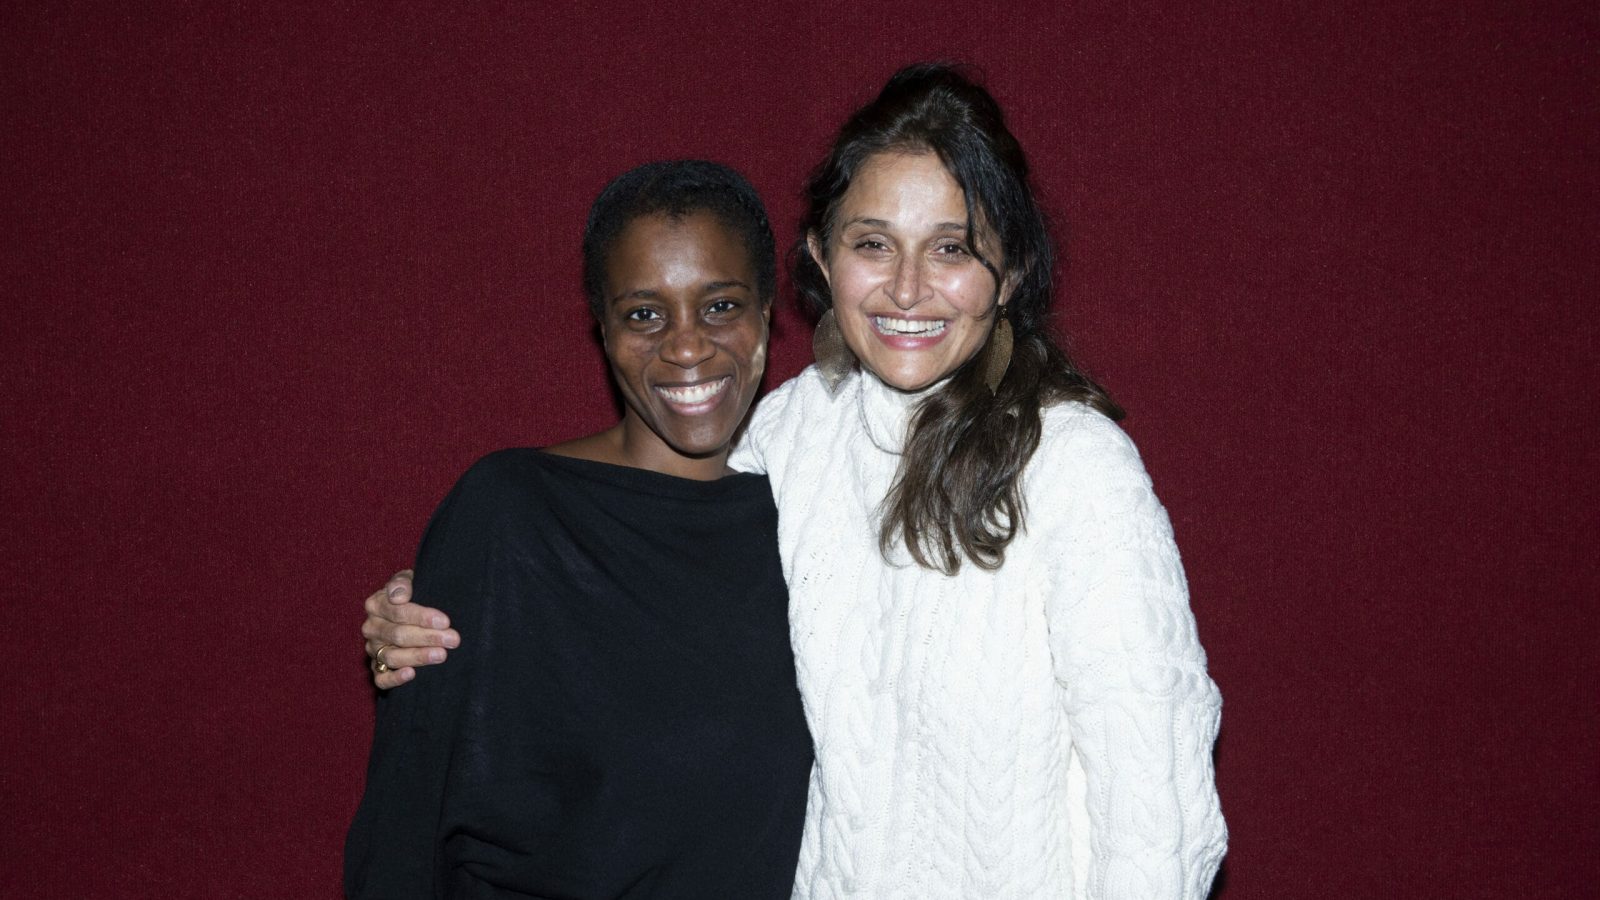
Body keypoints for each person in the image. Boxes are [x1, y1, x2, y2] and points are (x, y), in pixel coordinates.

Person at [363, 64, 1225, 898]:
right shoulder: (797, 429)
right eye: (874, 244)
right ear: (819, 259)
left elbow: (1159, 816)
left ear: (1015, 269)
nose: (908, 288)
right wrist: (433, 602)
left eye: (952, 248)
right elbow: (646, 524)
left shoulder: (1074, 467)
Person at [345, 161, 813, 899]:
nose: (686, 347)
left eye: (720, 306)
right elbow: (407, 818)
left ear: (767, 311)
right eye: (645, 314)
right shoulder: (511, 514)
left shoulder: (814, 530)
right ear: (602, 325)